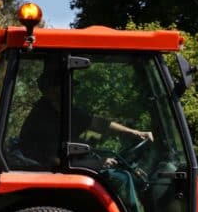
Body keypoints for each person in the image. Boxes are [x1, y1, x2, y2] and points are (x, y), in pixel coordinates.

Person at [18, 66, 153, 168]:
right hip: (52, 171)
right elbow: (55, 161)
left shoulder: (66, 111)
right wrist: (95, 164)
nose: (71, 90)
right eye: (67, 86)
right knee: (121, 179)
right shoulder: (43, 119)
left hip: (67, 166)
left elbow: (98, 123)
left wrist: (135, 133)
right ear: (51, 90)